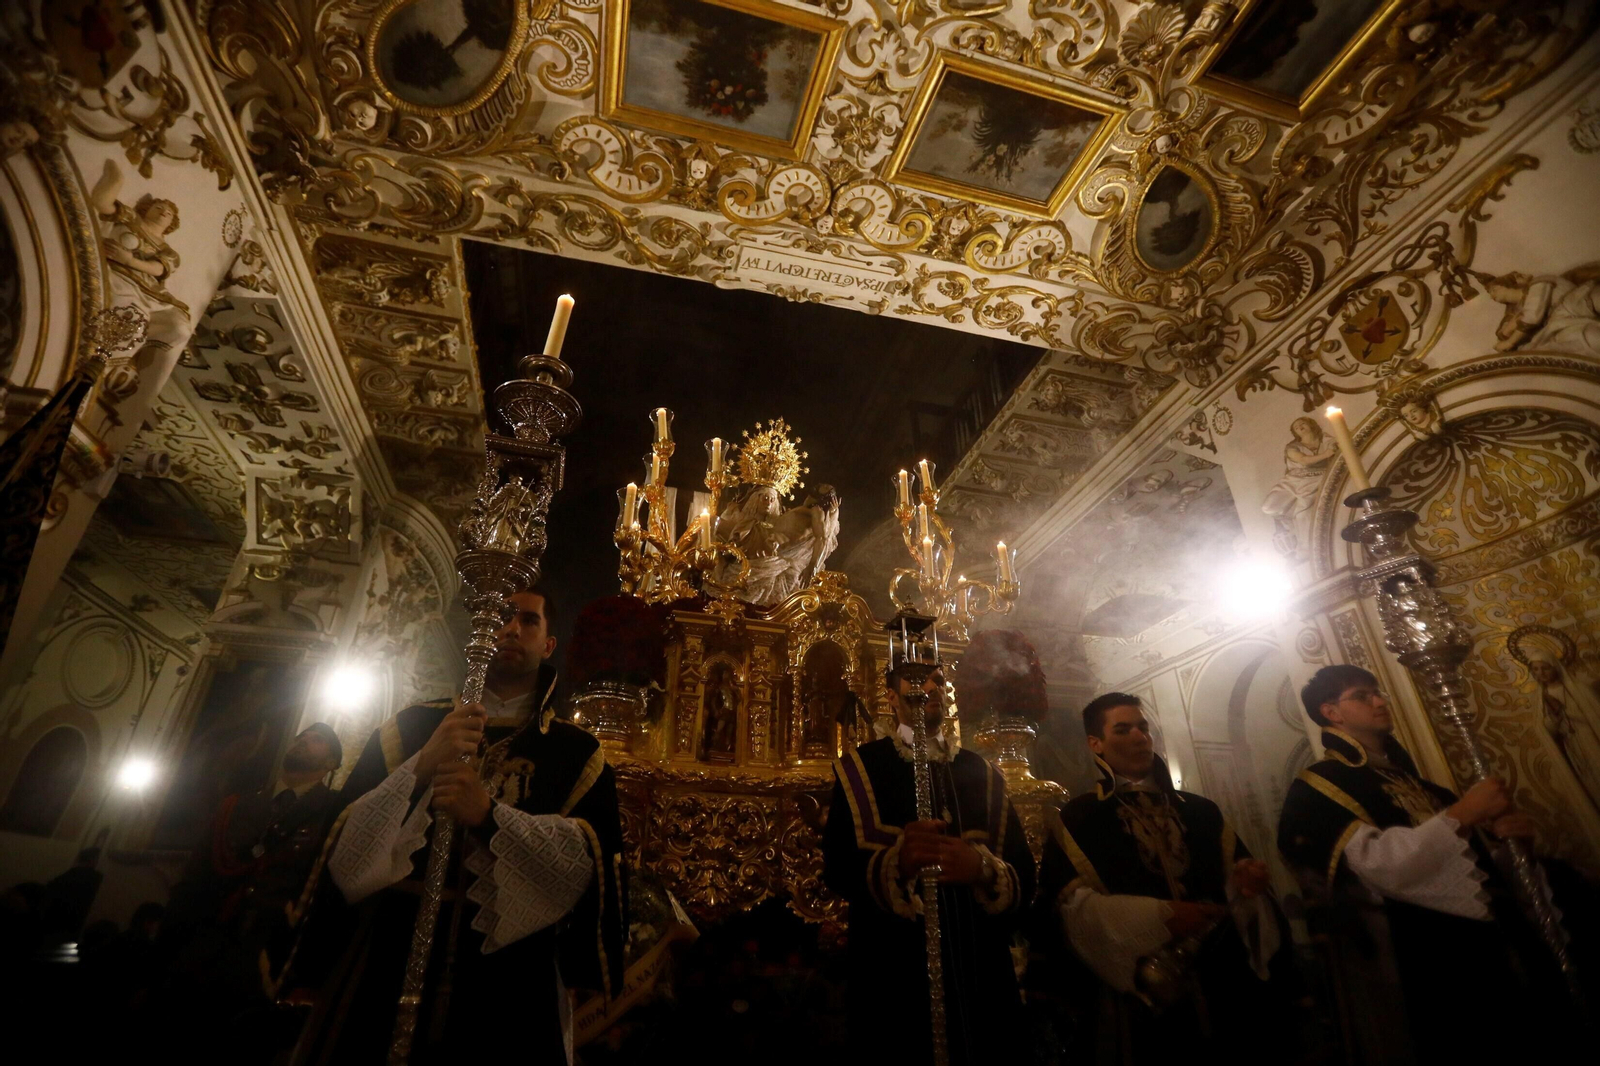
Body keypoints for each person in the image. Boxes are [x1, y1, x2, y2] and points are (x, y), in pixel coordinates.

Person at [302, 585, 625, 1065]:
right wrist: (422, 764)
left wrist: (490, 818)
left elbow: (585, 864)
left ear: (548, 644)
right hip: (392, 948)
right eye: (500, 617)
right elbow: (345, 842)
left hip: (511, 972)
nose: (511, 629)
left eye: (528, 620)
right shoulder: (409, 728)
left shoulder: (576, 752)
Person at [1277, 664, 1563, 1063]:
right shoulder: (1318, 788)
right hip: (1423, 961)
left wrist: (1516, 851)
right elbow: (1378, 866)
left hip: (1496, 950)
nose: (1380, 701)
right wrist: (1462, 815)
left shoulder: (1425, 787)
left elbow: (1478, 877)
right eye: (1362, 696)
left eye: (1378, 692)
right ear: (1331, 712)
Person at [1037, 693, 1297, 1063]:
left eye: (1143, 727)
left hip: (1220, 979)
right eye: (1123, 730)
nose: (1140, 737)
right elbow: (1074, 913)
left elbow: (1239, 897)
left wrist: (1245, 886)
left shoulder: (1202, 812)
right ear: (1096, 744)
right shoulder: (1080, 818)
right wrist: (1160, 918)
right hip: (1137, 995)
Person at [822, 662, 1036, 1065]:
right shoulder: (860, 769)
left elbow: (1024, 874)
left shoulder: (983, 772)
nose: (931, 687)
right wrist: (897, 864)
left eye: (938, 679)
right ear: (891, 697)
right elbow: (837, 867)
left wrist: (981, 869)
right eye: (917, 679)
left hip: (980, 967)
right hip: (893, 965)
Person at [152, 722, 345, 1061]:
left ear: (331, 763)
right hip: (203, 950)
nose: (302, 740)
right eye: (301, 736)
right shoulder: (237, 805)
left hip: (267, 962)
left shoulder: (334, 813)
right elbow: (195, 878)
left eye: (316, 740)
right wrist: (163, 955)